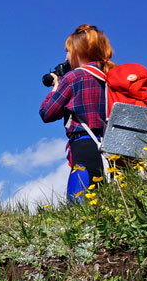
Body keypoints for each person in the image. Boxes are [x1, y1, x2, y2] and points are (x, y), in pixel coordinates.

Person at [38, 24, 114, 194]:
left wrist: (56, 86)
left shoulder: (74, 76)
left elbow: (47, 113)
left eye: (69, 51)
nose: (66, 57)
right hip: (113, 148)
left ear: (79, 51)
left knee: (81, 207)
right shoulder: (110, 76)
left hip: (85, 145)